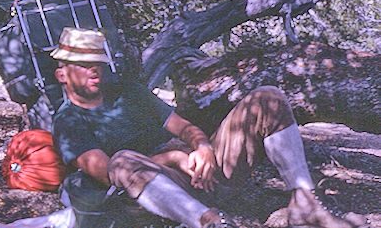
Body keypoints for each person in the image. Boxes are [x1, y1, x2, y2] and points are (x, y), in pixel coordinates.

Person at [50, 27, 367, 228]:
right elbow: (108, 173)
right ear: (62, 74)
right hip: (155, 190)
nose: (94, 70)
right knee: (122, 159)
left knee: (267, 97)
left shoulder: (129, 93)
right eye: (83, 64)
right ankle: (210, 223)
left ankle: (305, 202)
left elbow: (185, 128)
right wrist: (175, 159)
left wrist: (201, 148)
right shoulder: (68, 120)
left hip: (202, 170)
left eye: (98, 63)